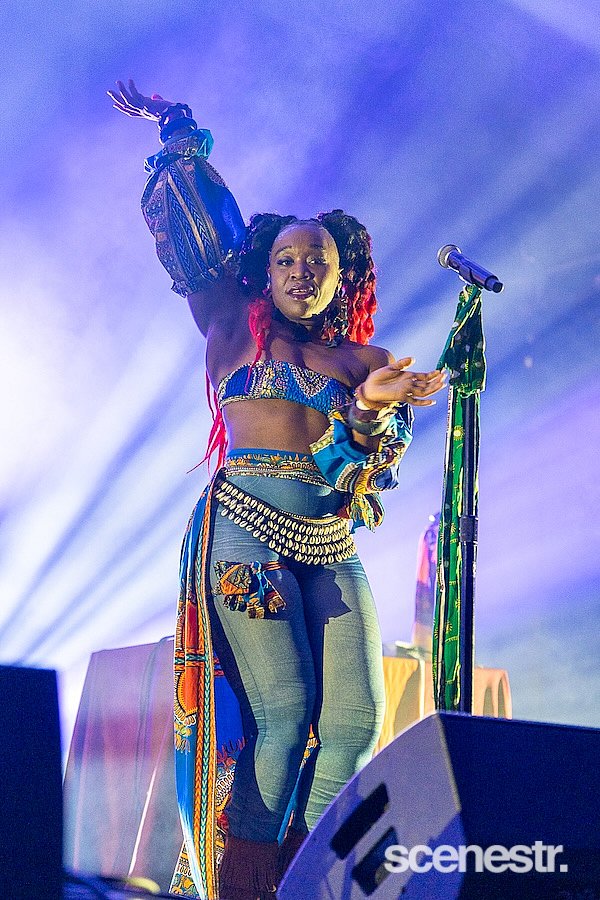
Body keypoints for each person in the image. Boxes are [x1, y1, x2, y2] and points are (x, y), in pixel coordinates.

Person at [108, 80, 446, 900]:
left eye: (317, 262)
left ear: (342, 277)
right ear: (264, 270)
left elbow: (363, 473)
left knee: (356, 725)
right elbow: (198, 227)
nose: (301, 271)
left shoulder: (367, 364)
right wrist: (178, 129)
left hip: (329, 546)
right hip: (245, 535)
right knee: (284, 716)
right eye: (287, 260)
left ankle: (312, 883)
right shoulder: (229, 323)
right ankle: (245, 885)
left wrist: (370, 410)